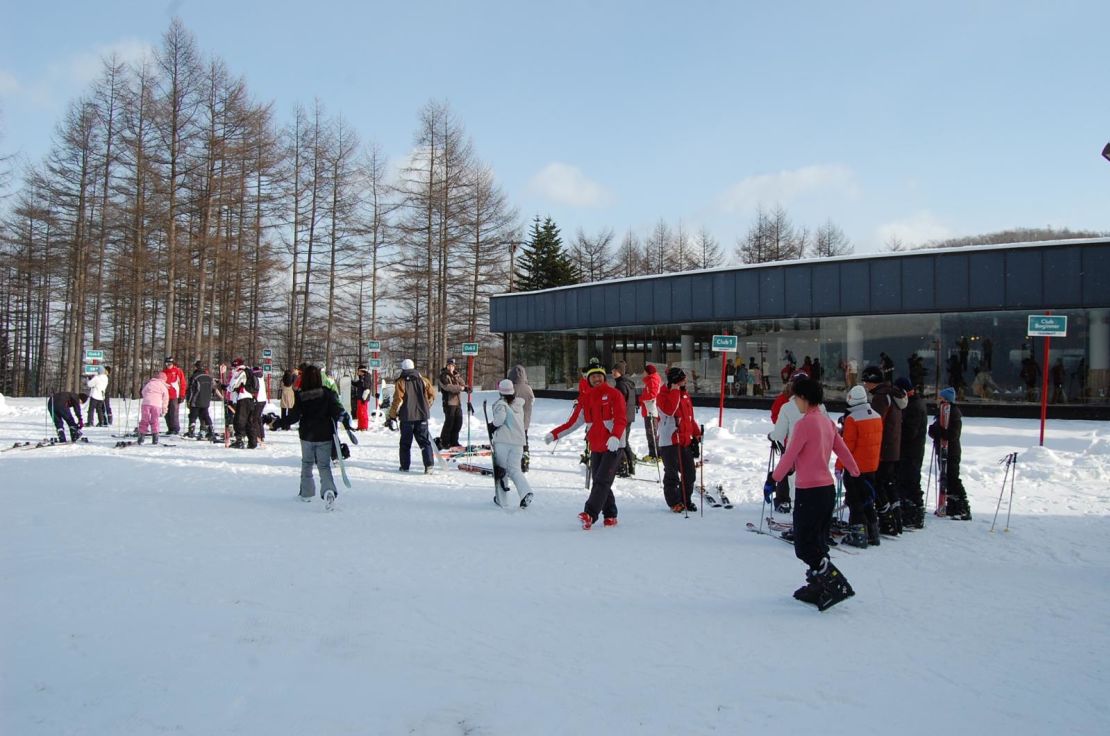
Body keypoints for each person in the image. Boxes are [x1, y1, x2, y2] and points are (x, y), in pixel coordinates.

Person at [766, 376, 860, 610]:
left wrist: (773, 479)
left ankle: (835, 583)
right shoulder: (826, 422)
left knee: (804, 545)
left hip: (809, 493)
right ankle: (818, 584)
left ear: (804, 398)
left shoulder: (804, 424)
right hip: (826, 491)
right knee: (818, 541)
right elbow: (843, 450)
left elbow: (789, 456)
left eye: (796, 397)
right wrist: (856, 473)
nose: (795, 401)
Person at [545, 364, 627, 529]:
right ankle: (610, 515)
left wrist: (615, 436)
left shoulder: (614, 394)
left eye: (599, 376)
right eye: (593, 376)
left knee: (601, 481)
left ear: (604, 377)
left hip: (614, 445)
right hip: (596, 446)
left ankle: (589, 514)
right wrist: (555, 434)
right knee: (601, 481)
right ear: (588, 379)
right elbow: (573, 423)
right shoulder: (585, 399)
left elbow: (621, 418)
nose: (597, 379)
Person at [279, 364, 346, 506]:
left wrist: (278, 423)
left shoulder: (301, 395)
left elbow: (294, 416)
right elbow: (337, 410)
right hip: (325, 435)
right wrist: (342, 418)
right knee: (324, 466)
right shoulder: (328, 393)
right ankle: (329, 491)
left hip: (307, 435)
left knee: (307, 463)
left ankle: (306, 493)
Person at [768, 373, 831, 514]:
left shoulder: (787, 405)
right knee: (814, 479)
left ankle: (790, 505)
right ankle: (812, 509)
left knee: (792, 478)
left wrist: (772, 436)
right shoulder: (819, 406)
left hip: (793, 447)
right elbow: (828, 427)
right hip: (818, 448)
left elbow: (779, 431)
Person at [861, 365, 907, 535]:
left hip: (883, 448)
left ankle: (886, 521)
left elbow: (874, 422)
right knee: (888, 483)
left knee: (879, 483)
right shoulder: (893, 394)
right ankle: (896, 519)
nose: (865, 385)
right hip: (893, 446)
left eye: (866, 381)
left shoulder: (881, 397)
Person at [837, 385, 883, 546]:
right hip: (872, 466)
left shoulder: (852, 419)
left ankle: (858, 534)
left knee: (854, 500)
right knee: (868, 499)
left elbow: (847, 447)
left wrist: (839, 465)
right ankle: (873, 532)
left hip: (855, 467)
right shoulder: (876, 416)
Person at [656, 366, 701, 512]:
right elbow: (670, 410)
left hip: (684, 440)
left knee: (690, 474)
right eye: (682, 380)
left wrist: (696, 433)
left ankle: (685, 499)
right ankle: (674, 502)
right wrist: (674, 390)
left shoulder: (685, 395)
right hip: (670, 440)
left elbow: (689, 418)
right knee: (672, 474)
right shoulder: (663, 395)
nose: (685, 382)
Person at [490, 378, 535, 508]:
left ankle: (501, 498)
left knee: (501, 469)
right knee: (515, 469)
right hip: (518, 442)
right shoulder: (518, 405)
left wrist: (492, 426)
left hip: (503, 441)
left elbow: (500, 420)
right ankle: (525, 492)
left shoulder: (501, 404)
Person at [387, 359, 436, 473]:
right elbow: (432, 395)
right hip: (422, 416)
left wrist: (392, 415)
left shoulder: (401, 382)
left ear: (403, 369)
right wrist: (426, 406)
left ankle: (405, 466)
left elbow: (398, 400)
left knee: (405, 443)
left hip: (406, 417)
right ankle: (429, 466)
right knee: (424, 442)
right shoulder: (424, 381)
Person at [929, 387, 971, 520]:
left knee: (953, 478)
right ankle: (952, 506)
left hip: (951, 452)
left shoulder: (953, 413)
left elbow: (953, 434)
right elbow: (933, 430)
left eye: (941, 398)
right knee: (945, 478)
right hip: (942, 451)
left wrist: (939, 431)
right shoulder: (941, 412)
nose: (938, 400)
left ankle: (962, 507)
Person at [895, 377, 928, 529]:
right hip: (911, 450)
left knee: (911, 481)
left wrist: (898, 431)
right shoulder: (914, 403)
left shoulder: (914, 406)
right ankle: (911, 511)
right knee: (908, 480)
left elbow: (910, 432)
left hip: (911, 451)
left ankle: (915, 513)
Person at [611, 361, 638, 477]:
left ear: (620, 372)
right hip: (629, 416)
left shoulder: (620, 385)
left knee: (621, 442)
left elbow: (619, 403)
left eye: (614, 371)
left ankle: (623, 467)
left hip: (623, 417)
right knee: (624, 441)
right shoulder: (629, 383)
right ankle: (630, 464)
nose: (612, 373)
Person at [507, 364, 535, 472]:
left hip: (513, 422)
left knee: (512, 443)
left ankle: (514, 463)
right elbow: (532, 402)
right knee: (524, 441)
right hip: (525, 422)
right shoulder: (528, 389)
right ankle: (525, 461)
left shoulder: (511, 388)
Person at [228, 359, 260, 449]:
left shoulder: (240, 372)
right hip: (251, 398)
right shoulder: (249, 371)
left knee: (239, 420)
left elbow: (232, 386)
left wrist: (227, 388)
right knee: (249, 421)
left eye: (233, 367)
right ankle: (252, 442)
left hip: (243, 398)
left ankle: (239, 441)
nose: (232, 369)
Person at [436, 358, 466, 450]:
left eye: (452, 366)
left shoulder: (456, 375)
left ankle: (454, 441)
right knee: (449, 423)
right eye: (449, 365)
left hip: (457, 402)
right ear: (446, 366)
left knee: (458, 423)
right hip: (449, 402)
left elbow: (463, 384)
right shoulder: (443, 376)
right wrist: (460, 388)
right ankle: (444, 442)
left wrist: (466, 387)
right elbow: (448, 387)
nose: (451, 367)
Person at [185, 362, 219, 440]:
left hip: (196, 399)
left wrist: (188, 400)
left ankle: (191, 431)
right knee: (205, 415)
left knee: (193, 415)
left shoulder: (194, 377)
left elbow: (191, 390)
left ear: (196, 367)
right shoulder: (209, 377)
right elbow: (213, 389)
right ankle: (210, 430)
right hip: (206, 400)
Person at [137, 371, 169, 445]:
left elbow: (143, 392)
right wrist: (164, 410)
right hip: (156, 404)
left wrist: (147, 398)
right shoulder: (163, 386)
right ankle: (155, 438)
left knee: (144, 420)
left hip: (146, 404)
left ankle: (141, 437)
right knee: (155, 420)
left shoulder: (149, 383)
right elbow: (165, 399)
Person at [639, 364, 662, 460]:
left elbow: (652, 395)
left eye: (644, 371)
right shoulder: (650, 381)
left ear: (648, 372)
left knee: (651, 432)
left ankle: (656, 454)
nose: (642, 373)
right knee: (650, 433)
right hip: (649, 410)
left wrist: (641, 398)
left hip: (651, 411)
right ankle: (653, 453)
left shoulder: (652, 380)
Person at [161, 356, 186, 435]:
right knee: (166, 412)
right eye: (167, 363)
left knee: (174, 412)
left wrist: (182, 394)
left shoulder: (177, 371)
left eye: (170, 363)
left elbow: (183, 383)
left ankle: (175, 428)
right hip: (165, 395)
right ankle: (170, 428)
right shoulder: (164, 372)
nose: (168, 365)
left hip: (175, 395)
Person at [352, 365, 372, 431]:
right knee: (359, 413)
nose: (357, 372)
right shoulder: (362, 378)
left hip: (363, 398)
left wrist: (364, 398)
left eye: (358, 371)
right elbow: (358, 384)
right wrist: (351, 382)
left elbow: (367, 388)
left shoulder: (366, 377)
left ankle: (364, 427)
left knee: (363, 413)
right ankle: (360, 426)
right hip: (360, 398)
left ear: (361, 371)